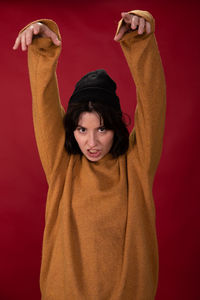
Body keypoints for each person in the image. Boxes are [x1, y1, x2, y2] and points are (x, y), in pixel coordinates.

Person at [13, 10, 166, 300]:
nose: (91, 142)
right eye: (82, 129)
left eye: (103, 129)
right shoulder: (63, 167)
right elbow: (43, 103)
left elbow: (153, 103)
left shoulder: (136, 165)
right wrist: (43, 49)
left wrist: (140, 40)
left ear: (117, 129)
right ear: (71, 130)